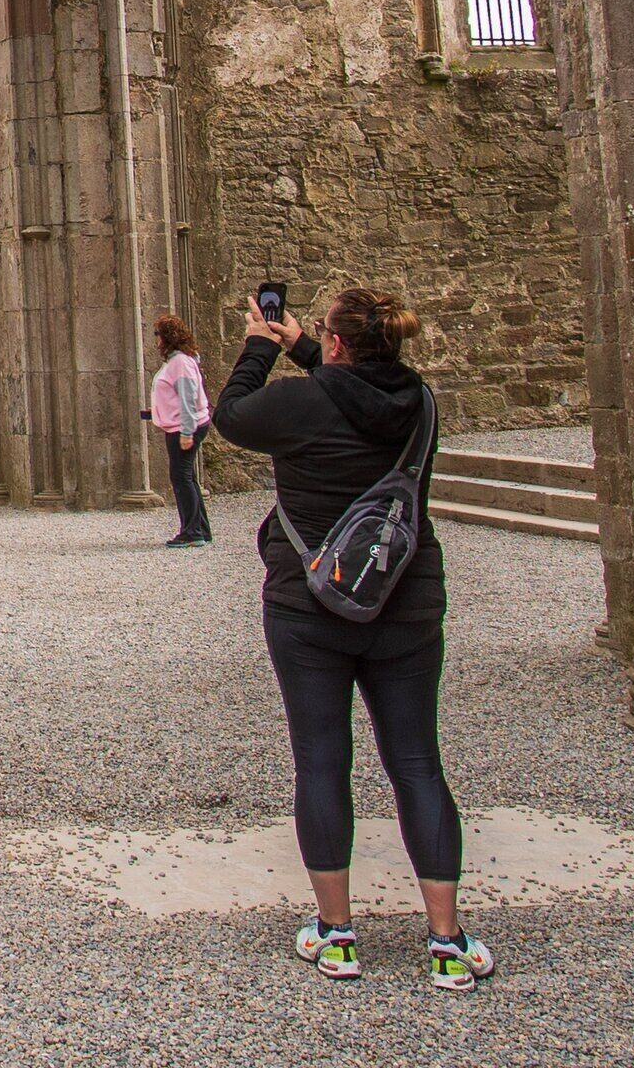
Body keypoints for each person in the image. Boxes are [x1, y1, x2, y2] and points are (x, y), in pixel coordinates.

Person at [210, 285, 491, 992]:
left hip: (311, 607)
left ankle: (337, 936)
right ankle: (447, 940)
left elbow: (232, 415)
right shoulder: (420, 402)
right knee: (418, 765)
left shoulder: (302, 404)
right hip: (406, 600)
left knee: (323, 763)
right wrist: (306, 347)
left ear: (337, 343)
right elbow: (357, 395)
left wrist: (262, 344)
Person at [148, 315, 213, 546]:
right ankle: (200, 529)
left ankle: (192, 532)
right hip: (181, 425)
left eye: (158, 335)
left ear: (168, 337)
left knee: (181, 478)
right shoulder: (179, 360)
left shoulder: (181, 363)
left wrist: (187, 432)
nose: (156, 341)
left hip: (184, 428)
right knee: (188, 478)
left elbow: (188, 399)